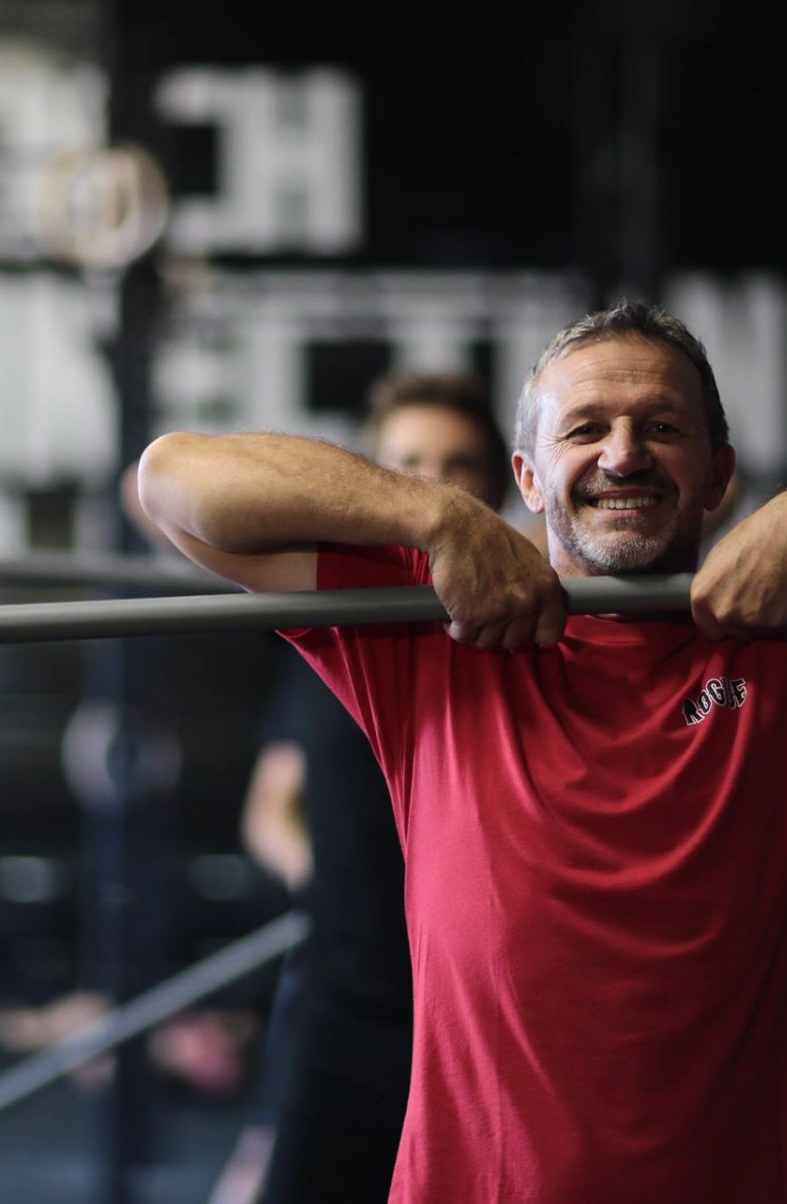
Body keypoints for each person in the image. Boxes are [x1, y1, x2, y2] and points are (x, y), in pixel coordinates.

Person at [135, 299, 787, 1202]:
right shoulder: (422, 631)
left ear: (719, 475)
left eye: (663, 428)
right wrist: (435, 516)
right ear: (525, 477)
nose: (624, 454)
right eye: (585, 428)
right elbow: (174, 479)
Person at [205, 373, 516, 1204]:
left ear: (500, 481)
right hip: (343, 1000)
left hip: (489, 1018)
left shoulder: (528, 632)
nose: (436, 483)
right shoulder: (330, 633)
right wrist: (327, 874)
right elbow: (270, 809)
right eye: (409, 462)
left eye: (459, 465)